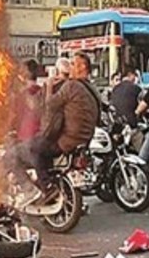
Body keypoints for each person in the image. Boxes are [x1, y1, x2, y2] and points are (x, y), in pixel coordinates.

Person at [13, 53, 100, 204]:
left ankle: (42, 189)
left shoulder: (72, 86)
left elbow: (50, 105)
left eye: (73, 64)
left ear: (82, 67)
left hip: (67, 141)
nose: (70, 68)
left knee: (22, 152)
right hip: (84, 140)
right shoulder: (91, 88)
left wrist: (50, 86)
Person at [108, 64, 142, 129]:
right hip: (131, 124)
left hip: (116, 124)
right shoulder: (136, 88)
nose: (135, 78)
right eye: (134, 75)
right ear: (130, 75)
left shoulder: (115, 89)